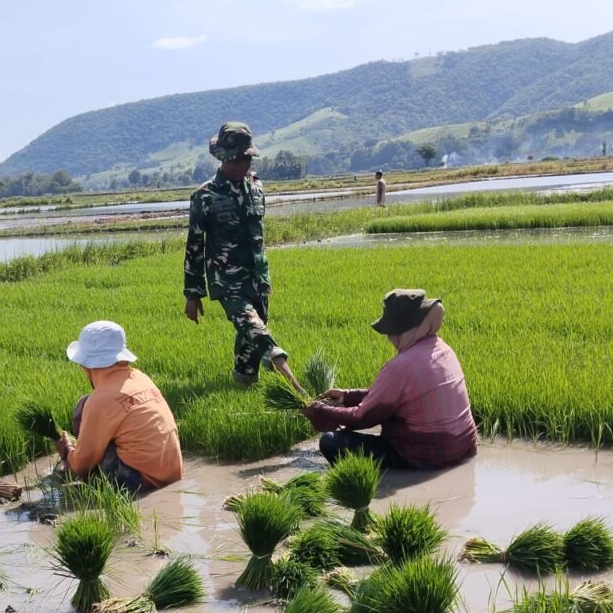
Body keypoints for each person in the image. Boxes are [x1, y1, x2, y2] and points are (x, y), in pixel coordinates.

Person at [183, 121, 303, 391]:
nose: (243, 165)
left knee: (249, 340)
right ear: (224, 159)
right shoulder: (205, 196)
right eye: (237, 159)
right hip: (228, 281)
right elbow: (194, 246)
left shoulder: (257, 188)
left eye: (247, 158)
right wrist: (193, 294)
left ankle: (243, 384)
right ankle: (300, 391)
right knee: (258, 333)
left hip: (258, 278)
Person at [301, 289, 477, 469]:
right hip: (465, 448)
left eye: (389, 332)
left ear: (399, 331)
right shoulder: (443, 350)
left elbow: (362, 417)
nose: (388, 338)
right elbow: (397, 398)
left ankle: (378, 482)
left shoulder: (400, 367)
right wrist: (347, 396)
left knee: (331, 442)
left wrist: (320, 410)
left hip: (422, 458)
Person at [55, 320, 184, 492]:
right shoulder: (140, 377)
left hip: (140, 482)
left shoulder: (100, 400)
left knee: (83, 407)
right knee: (87, 403)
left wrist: (66, 450)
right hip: (173, 473)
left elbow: (80, 466)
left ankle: (93, 487)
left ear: (85, 365)